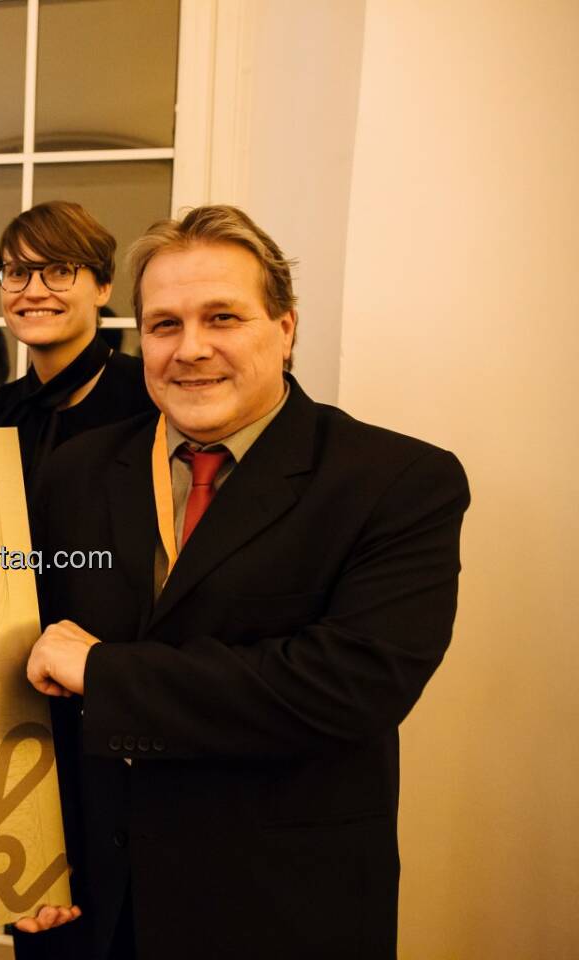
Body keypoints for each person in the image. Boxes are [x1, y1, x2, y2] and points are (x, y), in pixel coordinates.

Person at [24, 205, 470, 958]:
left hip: (277, 908)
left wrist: (104, 671)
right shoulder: (74, 472)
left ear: (286, 328)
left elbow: (347, 687)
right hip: (85, 909)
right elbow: (19, 665)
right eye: (164, 325)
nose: (190, 349)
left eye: (222, 317)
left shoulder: (398, 481)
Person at [0, 201, 153, 492]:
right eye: (18, 272)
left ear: (103, 287)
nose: (34, 292)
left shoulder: (148, 396)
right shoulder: (1, 410)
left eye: (60, 271)